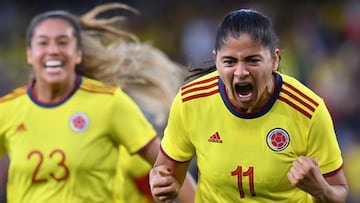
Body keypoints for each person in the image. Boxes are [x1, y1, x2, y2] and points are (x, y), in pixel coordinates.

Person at [0, 3, 195, 203]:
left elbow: (168, 168)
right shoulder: (7, 109)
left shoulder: (109, 103)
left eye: (62, 42)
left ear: (77, 54)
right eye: (43, 43)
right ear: (29, 54)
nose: (52, 50)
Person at [149, 8, 349, 203]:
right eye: (229, 61)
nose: (241, 72)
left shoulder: (307, 109)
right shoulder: (191, 101)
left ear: (274, 60)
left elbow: (339, 191)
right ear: (216, 60)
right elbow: (164, 172)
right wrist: (163, 185)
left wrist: (321, 190)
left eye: (252, 60)